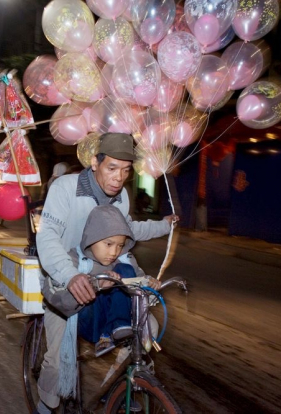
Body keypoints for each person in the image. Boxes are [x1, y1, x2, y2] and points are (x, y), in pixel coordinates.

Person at [34, 132, 177, 414]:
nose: (118, 178)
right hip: (63, 280)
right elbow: (47, 236)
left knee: (146, 330)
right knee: (58, 353)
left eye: (125, 171)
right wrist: (69, 275)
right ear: (94, 162)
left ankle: (122, 387)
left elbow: (127, 232)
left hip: (104, 279)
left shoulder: (121, 196)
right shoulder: (65, 188)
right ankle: (45, 405)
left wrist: (163, 225)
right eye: (112, 168)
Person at [69, 204, 161, 357]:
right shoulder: (76, 260)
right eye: (109, 244)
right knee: (111, 277)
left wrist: (149, 282)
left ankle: (125, 372)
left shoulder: (123, 259)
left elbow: (138, 279)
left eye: (120, 246)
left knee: (125, 271)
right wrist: (97, 285)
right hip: (90, 322)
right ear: (92, 238)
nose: (114, 252)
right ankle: (111, 332)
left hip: (122, 325)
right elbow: (64, 289)